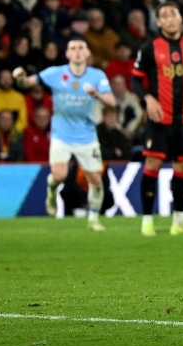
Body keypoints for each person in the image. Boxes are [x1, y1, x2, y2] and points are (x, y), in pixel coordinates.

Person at [12, 37, 116, 231]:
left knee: (95, 180)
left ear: (87, 54)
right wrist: (19, 76)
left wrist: (97, 95)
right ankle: (51, 192)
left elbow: (112, 102)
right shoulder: (55, 73)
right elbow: (26, 83)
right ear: (67, 54)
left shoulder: (97, 75)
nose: (77, 51)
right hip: (61, 134)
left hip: (87, 135)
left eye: (81, 48)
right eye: (73, 48)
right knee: (59, 176)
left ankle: (93, 219)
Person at [131, 2, 183, 237]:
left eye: (173, 14)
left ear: (180, 18)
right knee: (152, 165)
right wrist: (148, 99)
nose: (170, 19)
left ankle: (179, 221)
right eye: (164, 16)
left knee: (182, 166)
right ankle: (147, 221)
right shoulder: (150, 48)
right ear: (159, 23)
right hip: (159, 118)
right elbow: (135, 81)